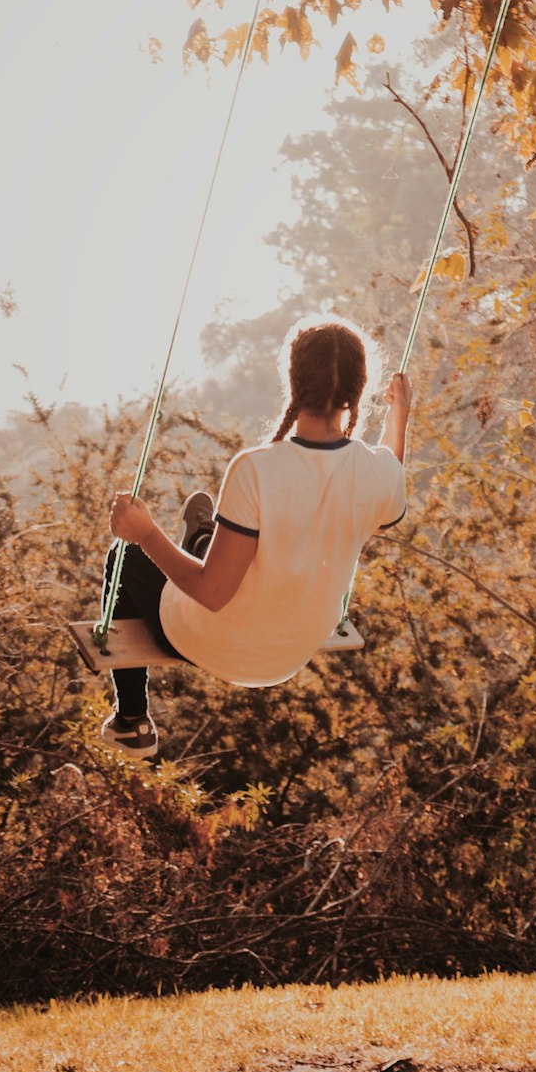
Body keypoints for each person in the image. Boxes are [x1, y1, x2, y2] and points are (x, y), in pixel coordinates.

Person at [100, 316, 412, 758]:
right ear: (360, 390)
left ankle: (132, 721)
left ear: (292, 381)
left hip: (214, 640)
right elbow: (389, 490)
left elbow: (212, 593)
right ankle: (203, 538)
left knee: (125, 556)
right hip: (288, 655)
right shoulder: (378, 472)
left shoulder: (256, 468)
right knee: (229, 538)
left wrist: (146, 532)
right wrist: (400, 416)